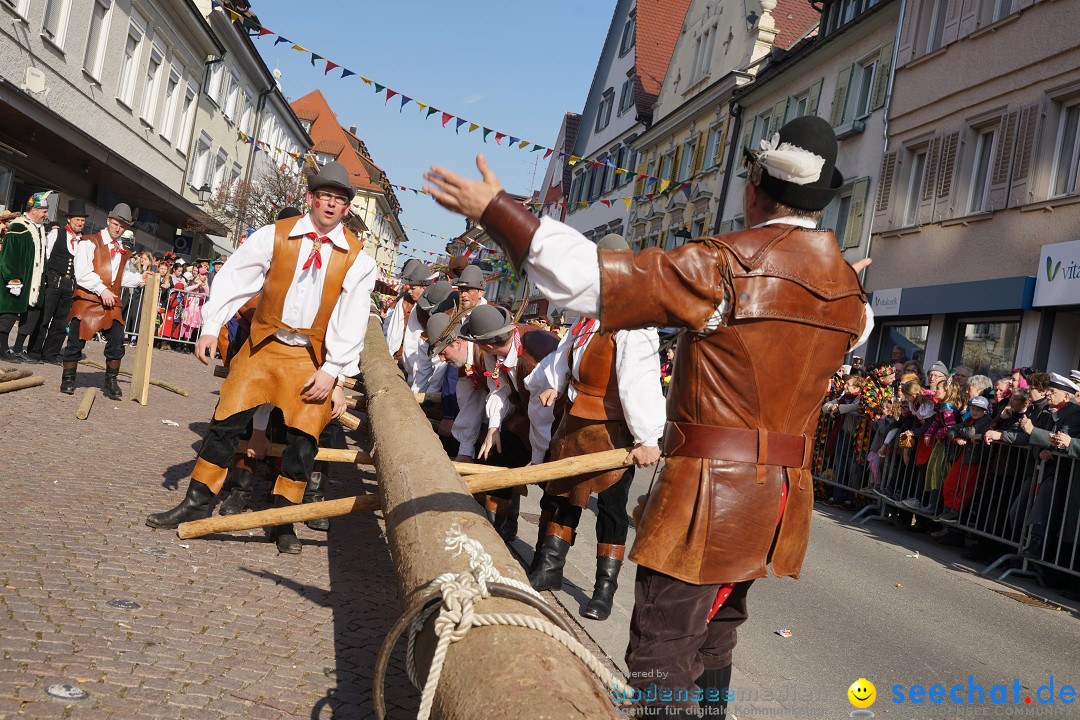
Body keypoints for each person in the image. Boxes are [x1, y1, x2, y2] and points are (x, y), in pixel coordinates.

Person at [423, 115, 872, 713]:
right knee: (717, 633)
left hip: (710, 493)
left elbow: (591, 283)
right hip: (779, 500)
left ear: (754, 188)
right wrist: (841, 280)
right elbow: (858, 326)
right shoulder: (846, 294)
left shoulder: (724, 268)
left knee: (663, 648)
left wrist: (499, 209)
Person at [145, 162, 375, 554]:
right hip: (262, 345)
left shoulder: (357, 258)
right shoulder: (274, 236)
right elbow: (235, 278)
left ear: (347, 208)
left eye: (340, 200)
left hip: (309, 356)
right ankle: (196, 503)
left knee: (304, 441)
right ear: (311, 199)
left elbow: (350, 320)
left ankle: (282, 520)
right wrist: (211, 327)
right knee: (224, 423)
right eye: (326, 197)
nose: (332, 205)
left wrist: (333, 372)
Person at [524, 233, 666, 621]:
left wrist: (648, 437)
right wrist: (551, 383)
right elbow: (562, 359)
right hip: (574, 423)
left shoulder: (634, 324)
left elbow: (640, 381)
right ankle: (549, 569)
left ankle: (604, 590)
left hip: (612, 430)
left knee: (612, 509)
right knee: (560, 496)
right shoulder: (587, 319)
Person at [458, 303, 560, 543]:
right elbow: (499, 388)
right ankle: (490, 535)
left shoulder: (537, 357)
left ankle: (545, 564)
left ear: (488, 344)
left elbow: (542, 413)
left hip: (559, 420)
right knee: (499, 456)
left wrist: (537, 461)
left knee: (553, 488)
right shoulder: (498, 352)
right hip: (530, 413)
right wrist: (494, 426)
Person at [58, 203, 147, 398]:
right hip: (88, 299)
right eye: (115, 223)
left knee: (117, 339)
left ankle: (111, 380)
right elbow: (82, 274)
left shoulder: (123, 250)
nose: (118, 228)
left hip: (110, 302)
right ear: (108, 221)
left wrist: (140, 279)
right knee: (76, 341)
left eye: (122, 226)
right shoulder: (88, 242)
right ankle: (68, 379)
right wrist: (102, 289)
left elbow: (120, 278)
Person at [30, 199, 88, 363]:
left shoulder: (85, 241)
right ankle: (34, 351)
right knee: (44, 317)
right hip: (54, 280)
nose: (80, 223)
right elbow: (46, 256)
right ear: (69, 219)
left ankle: (51, 354)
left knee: (61, 322)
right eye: (77, 219)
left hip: (71, 285)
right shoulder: (57, 233)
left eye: (83, 220)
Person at [0, 191, 51, 363]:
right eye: (44, 211)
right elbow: (8, 257)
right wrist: (13, 280)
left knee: (31, 314)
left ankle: (18, 348)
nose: (46, 215)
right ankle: (2, 348)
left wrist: (45, 277)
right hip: (17, 279)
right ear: (34, 210)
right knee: (10, 314)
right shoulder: (18, 227)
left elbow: (42, 257)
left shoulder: (39, 229)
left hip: (34, 280)